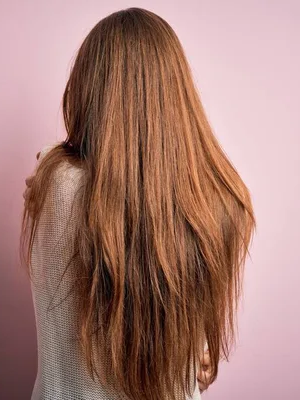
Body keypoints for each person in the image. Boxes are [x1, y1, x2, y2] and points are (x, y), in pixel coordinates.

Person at [21, 7, 255, 400]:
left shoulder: (53, 180)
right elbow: (197, 355)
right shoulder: (213, 206)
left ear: (87, 93)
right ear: (178, 97)